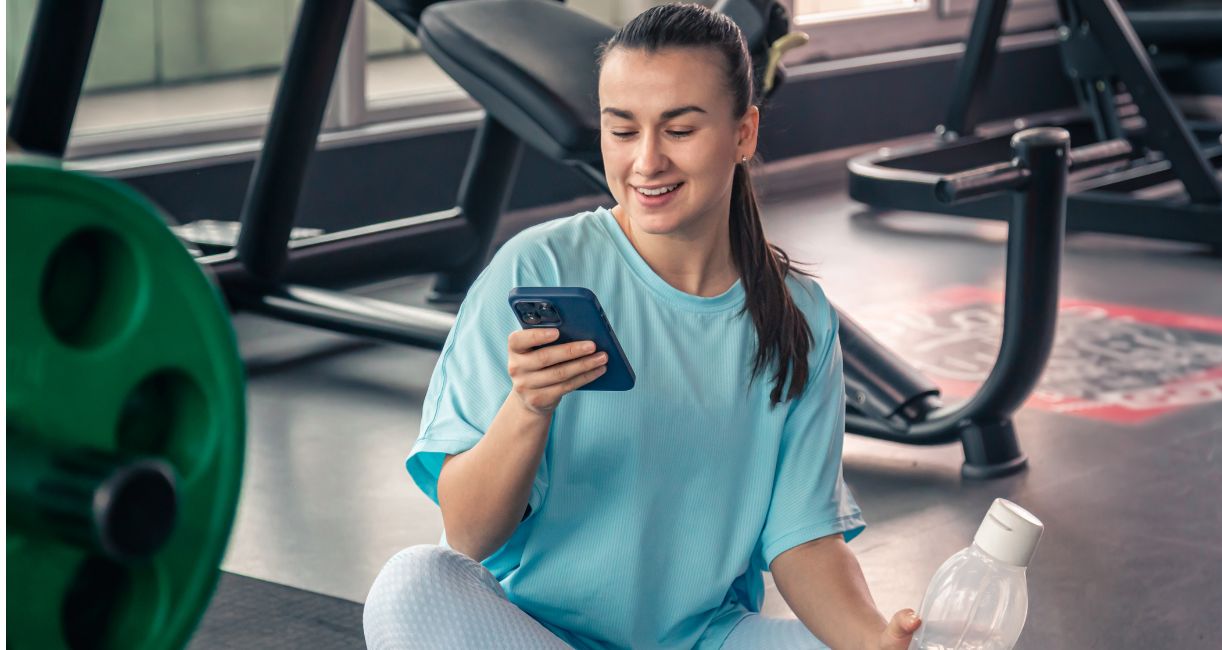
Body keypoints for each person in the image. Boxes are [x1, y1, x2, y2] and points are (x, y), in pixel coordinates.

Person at [363, 4, 920, 648]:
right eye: (622, 131)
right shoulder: (536, 267)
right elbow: (467, 535)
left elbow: (806, 542)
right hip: (535, 634)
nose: (647, 161)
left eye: (679, 130)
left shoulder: (801, 318)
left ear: (744, 133)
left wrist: (874, 641)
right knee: (413, 583)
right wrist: (529, 406)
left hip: (704, 639)